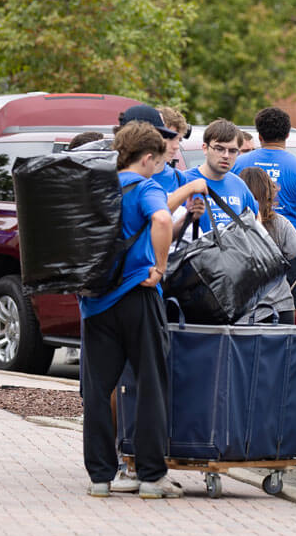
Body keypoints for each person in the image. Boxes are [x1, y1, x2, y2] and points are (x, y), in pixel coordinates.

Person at [79, 120, 206, 500]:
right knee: (151, 384)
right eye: (159, 160)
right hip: (138, 294)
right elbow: (163, 218)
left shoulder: (96, 187)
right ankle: (151, 478)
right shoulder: (146, 186)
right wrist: (161, 266)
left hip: (95, 301)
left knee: (99, 392)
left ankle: (101, 477)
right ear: (147, 157)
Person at [235, 107, 296, 307]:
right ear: (287, 134)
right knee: (285, 317)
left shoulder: (238, 164)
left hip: (243, 251)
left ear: (259, 135)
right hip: (286, 255)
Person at [239, 167, 296, 324]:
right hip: (279, 308)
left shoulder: (231, 225)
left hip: (243, 312)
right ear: (269, 193)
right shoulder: (280, 223)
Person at [186, 119, 258, 233]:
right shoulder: (184, 181)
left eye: (233, 151)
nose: (226, 155)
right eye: (219, 149)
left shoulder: (239, 185)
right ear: (205, 148)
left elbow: (257, 220)